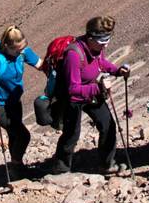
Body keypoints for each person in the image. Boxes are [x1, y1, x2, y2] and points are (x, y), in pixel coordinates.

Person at [49, 17, 130, 174]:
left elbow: (100, 63)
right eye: (102, 41)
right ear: (90, 37)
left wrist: (117, 70)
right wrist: (98, 88)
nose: (106, 44)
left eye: (108, 39)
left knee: (108, 126)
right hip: (72, 99)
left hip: (92, 91)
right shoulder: (73, 54)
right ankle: (60, 169)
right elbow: (73, 89)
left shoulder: (96, 48)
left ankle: (107, 164)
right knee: (72, 134)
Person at [0, 26, 44, 176]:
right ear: (6, 46)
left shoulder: (22, 52)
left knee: (14, 133)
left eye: (23, 47)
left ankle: (16, 167)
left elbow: (41, 64)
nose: (21, 52)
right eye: (17, 50)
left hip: (14, 101)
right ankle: (16, 167)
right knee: (22, 135)